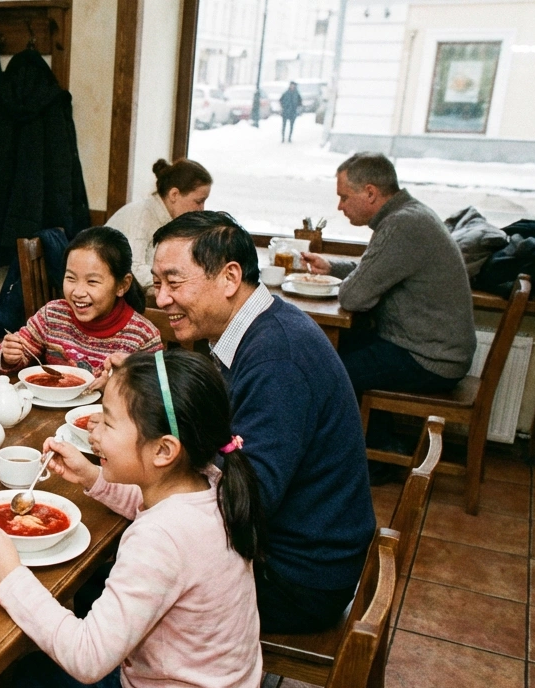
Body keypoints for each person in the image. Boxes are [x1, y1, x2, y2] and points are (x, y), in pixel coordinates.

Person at [0, 349, 262, 688]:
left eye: (107, 420)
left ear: (164, 450)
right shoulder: (211, 483)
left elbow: (88, 657)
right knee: (27, 676)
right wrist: (93, 476)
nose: (94, 430)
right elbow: (153, 504)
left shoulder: (160, 538)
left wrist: (10, 573)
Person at [149, 211, 374, 634]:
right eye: (157, 283)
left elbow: (246, 504)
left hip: (299, 577)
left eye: (174, 283)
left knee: (116, 582)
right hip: (296, 547)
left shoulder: (277, 359)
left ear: (230, 278)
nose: (161, 299)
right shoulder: (258, 327)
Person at [300, 154, 476, 474]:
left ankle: (356, 464)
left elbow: (354, 296)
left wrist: (345, 279)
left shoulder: (401, 224)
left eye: (343, 197)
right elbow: (377, 270)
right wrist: (333, 267)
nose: (340, 206)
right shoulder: (408, 214)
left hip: (431, 357)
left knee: (331, 370)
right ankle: (379, 444)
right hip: (429, 347)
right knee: (336, 350)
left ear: (370, 192)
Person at [0, 227, 162, 379]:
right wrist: (8, 356)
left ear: (122, 285)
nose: (78, 292)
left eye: (92, 281)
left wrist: (122, 382)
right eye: (70, 278)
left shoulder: (143, 337)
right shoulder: (53, 315)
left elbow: (154, 395)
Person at [105, 158, 213, 290]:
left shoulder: (172, 220)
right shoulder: (141, 215)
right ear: (174, 195)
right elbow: (134, 270)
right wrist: (179, 280)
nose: (202, 209)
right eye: (199, 201)